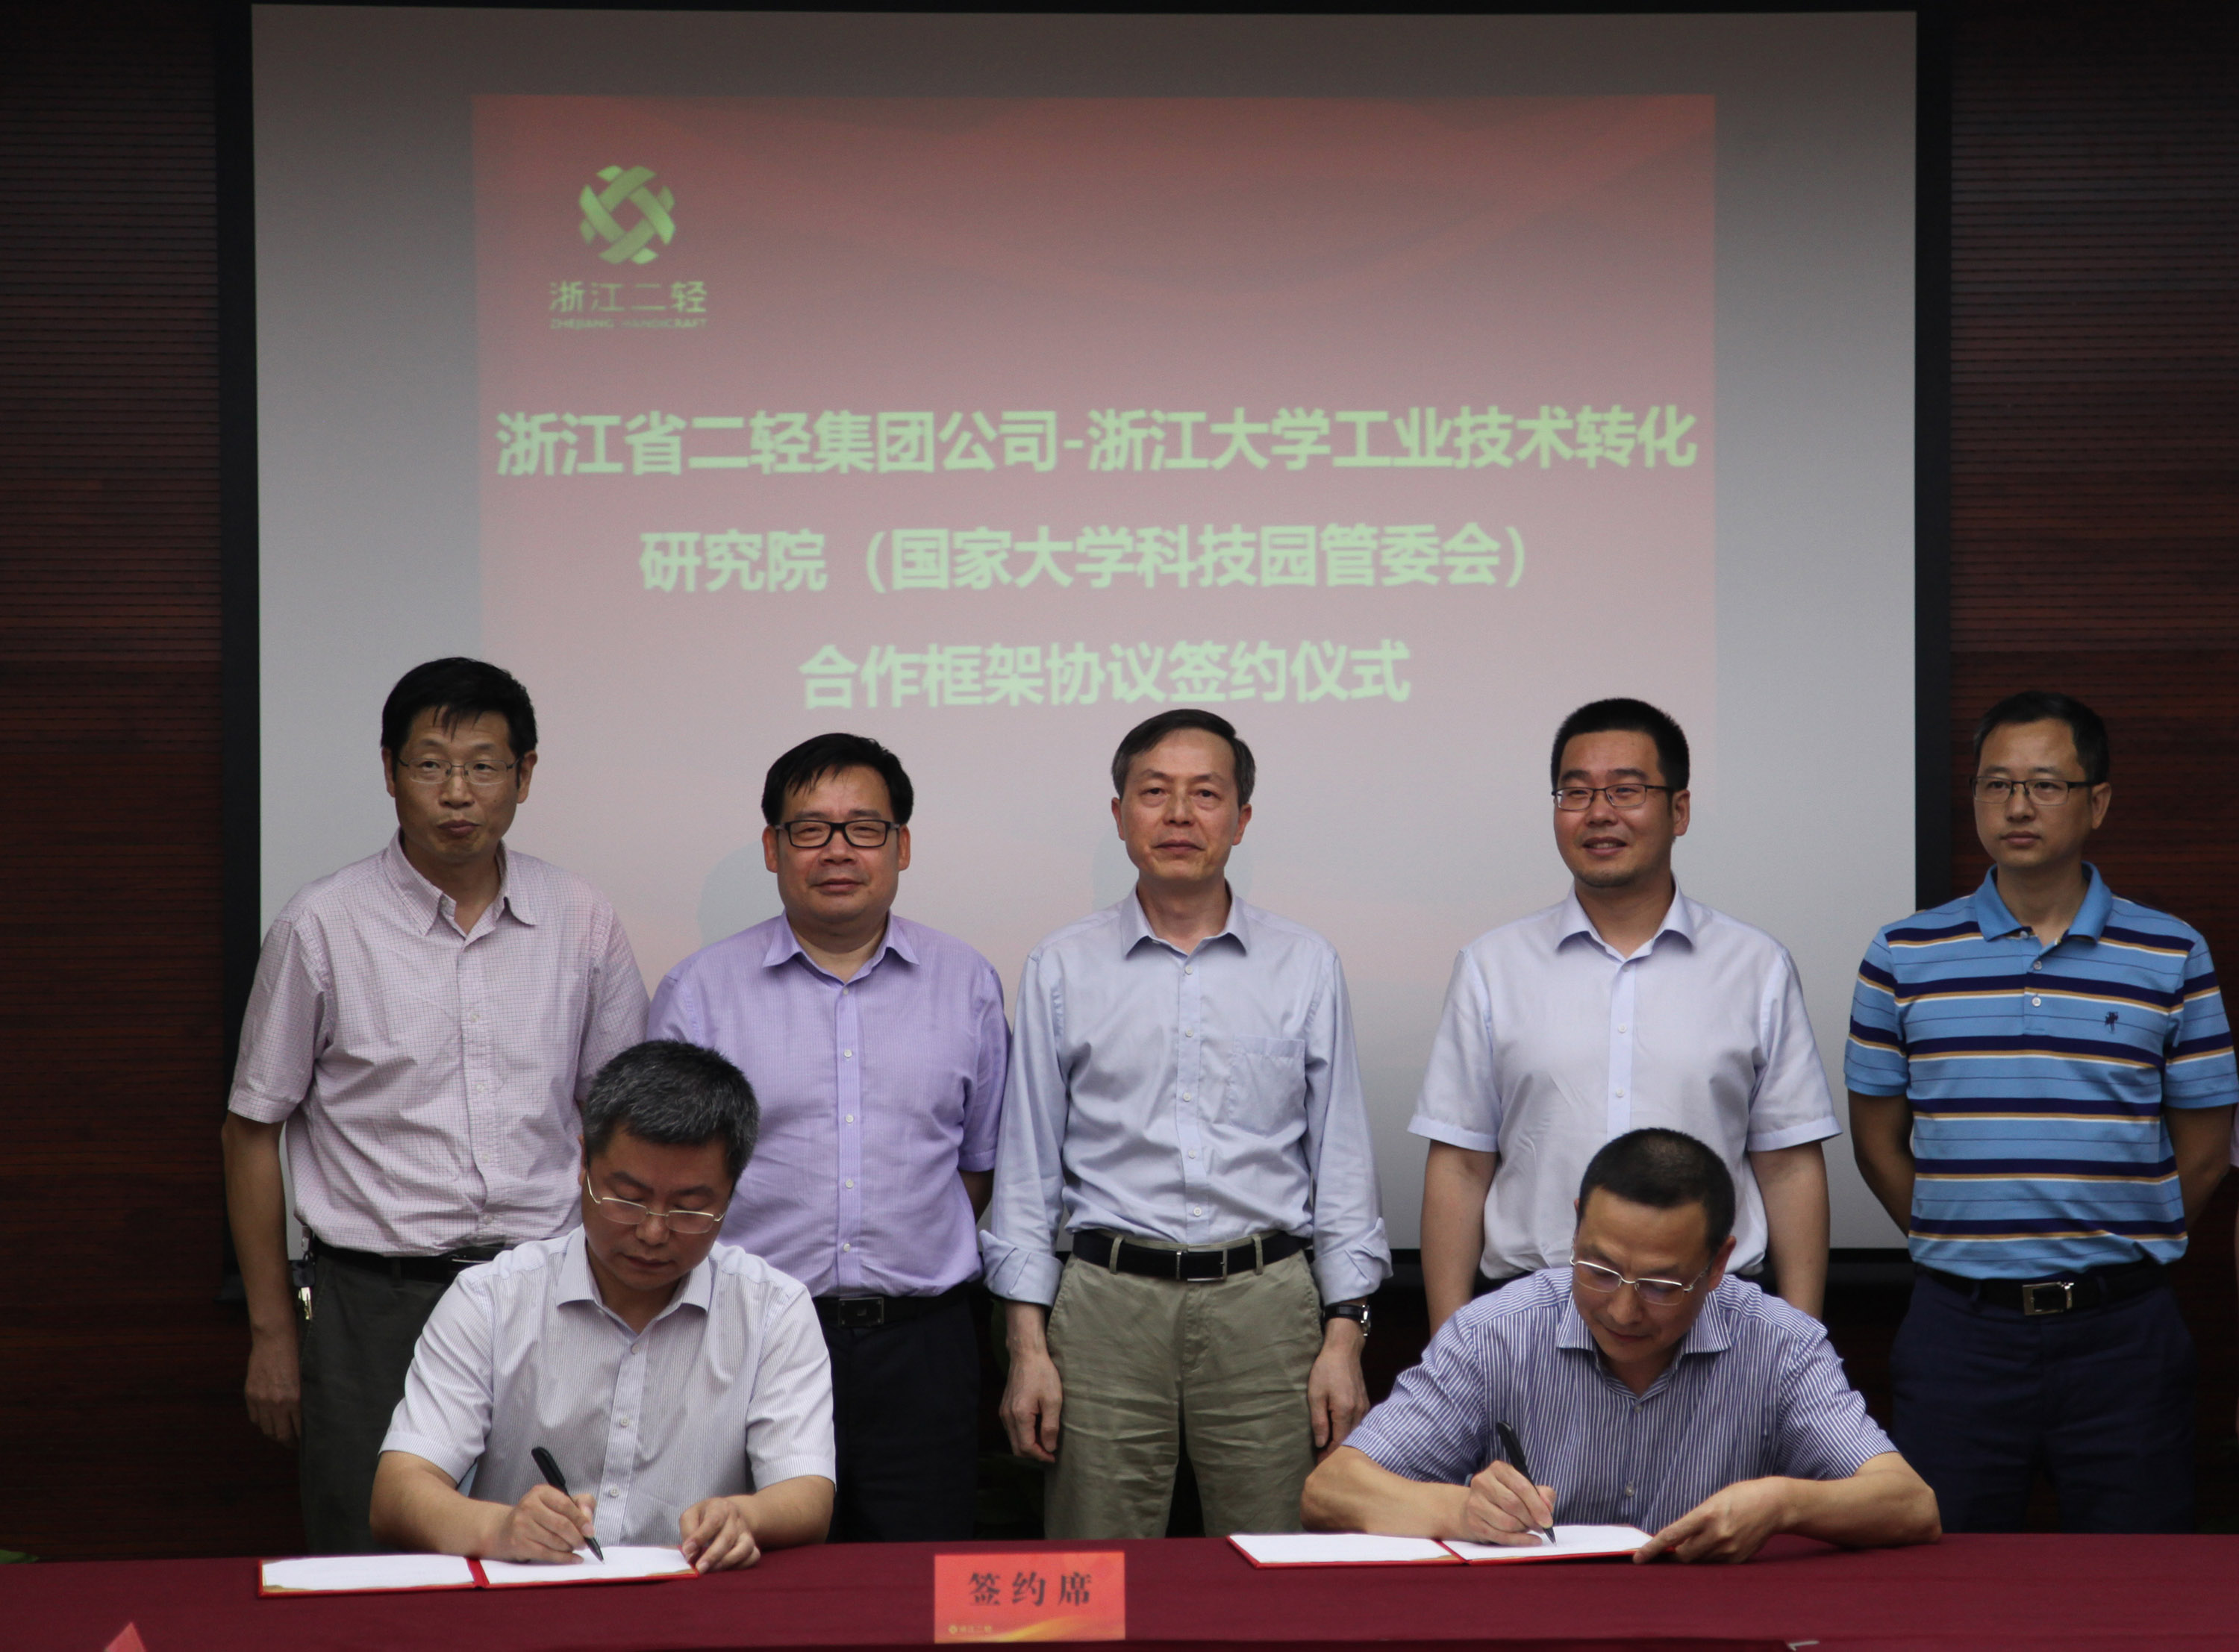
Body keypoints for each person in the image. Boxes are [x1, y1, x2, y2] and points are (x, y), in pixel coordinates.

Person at [222, 657, 649, 1552]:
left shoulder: (582, 919)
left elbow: (620, 1130)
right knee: (370, 1555)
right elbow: (251, 1132)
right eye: (430, 765)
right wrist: (272, 1331)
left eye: (484, 765)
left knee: (558, 1549)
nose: (458, 793)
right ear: (390, 771)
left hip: (544, 1299)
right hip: (372, 1306)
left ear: (525, 775)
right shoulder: (321, 924)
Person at [983, 708, 1391, 1539]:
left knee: (1277, 1557)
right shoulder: (1062, 966)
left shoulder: (1304, 964)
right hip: (1106, 1306)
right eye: (1154, 793)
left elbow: (1342, 1163)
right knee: (1096, 1567)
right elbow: (1025, 1175)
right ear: (1119, 815)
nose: (1178, 815)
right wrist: (1028, 1350)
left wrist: (1344, 1339)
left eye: (1206, 794)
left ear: (1241, 818)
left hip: (1266, 1304)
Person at [1848, 689, 2236, 1532]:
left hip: (2124, 1334)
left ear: (2097, 802)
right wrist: (1964, 1238)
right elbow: (1876, 1142)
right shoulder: (1903, 953)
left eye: (2046, 785)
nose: (2017, 806)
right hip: (1959, 1333)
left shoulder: (2171, 952)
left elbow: (2207, 1151)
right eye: (1996, 785)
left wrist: (2117, 1241)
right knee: (1941, 1576)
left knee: (2138, 1579)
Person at [647, 733, 1007, 1542]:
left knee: (920, 1577)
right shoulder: (700, 992)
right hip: (749, 1341)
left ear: (901, 846)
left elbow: (976, 1168)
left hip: (922, 1348)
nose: (838, 851)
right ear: (772, 848)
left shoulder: (968, 984)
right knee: (756, 1571)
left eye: (864, 829)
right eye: (810, 829)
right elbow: (665, 1186)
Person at [1305, 1128, 1939, 1562]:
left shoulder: (1779, 1345)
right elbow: (1329, 1492)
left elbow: (1911, 1505)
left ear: (1718, 1264)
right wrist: (1463, 1511)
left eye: (1662, 1285)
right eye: (1600, 1271)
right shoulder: (1495, 1333)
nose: (1623, 1310)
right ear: (1577, 1225)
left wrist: (1785, 1502)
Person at [1414, 698, 1838, 1334]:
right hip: (1529, 1311)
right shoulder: (1492, 966)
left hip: (1712, 1310)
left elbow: (1789, 1165)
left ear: (1680, 811)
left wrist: (1801, 1343)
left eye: (1627, 790)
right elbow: (1460, 1164)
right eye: (1576, 793)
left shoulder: (1756, 966)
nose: (1599, 813)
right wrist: (1451, 1345)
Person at [370, 1040, 834, 1568]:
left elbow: (807, 1495)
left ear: (730, 1193)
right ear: (584, 1162)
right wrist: (500, 1529)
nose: (653, 1232)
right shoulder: (491, 1301)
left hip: (696, 1597)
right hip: (528, 1595)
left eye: (689, 1208)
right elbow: (398, 1492)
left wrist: (745, 1516)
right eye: (628, 1199)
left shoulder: (773, 1311)